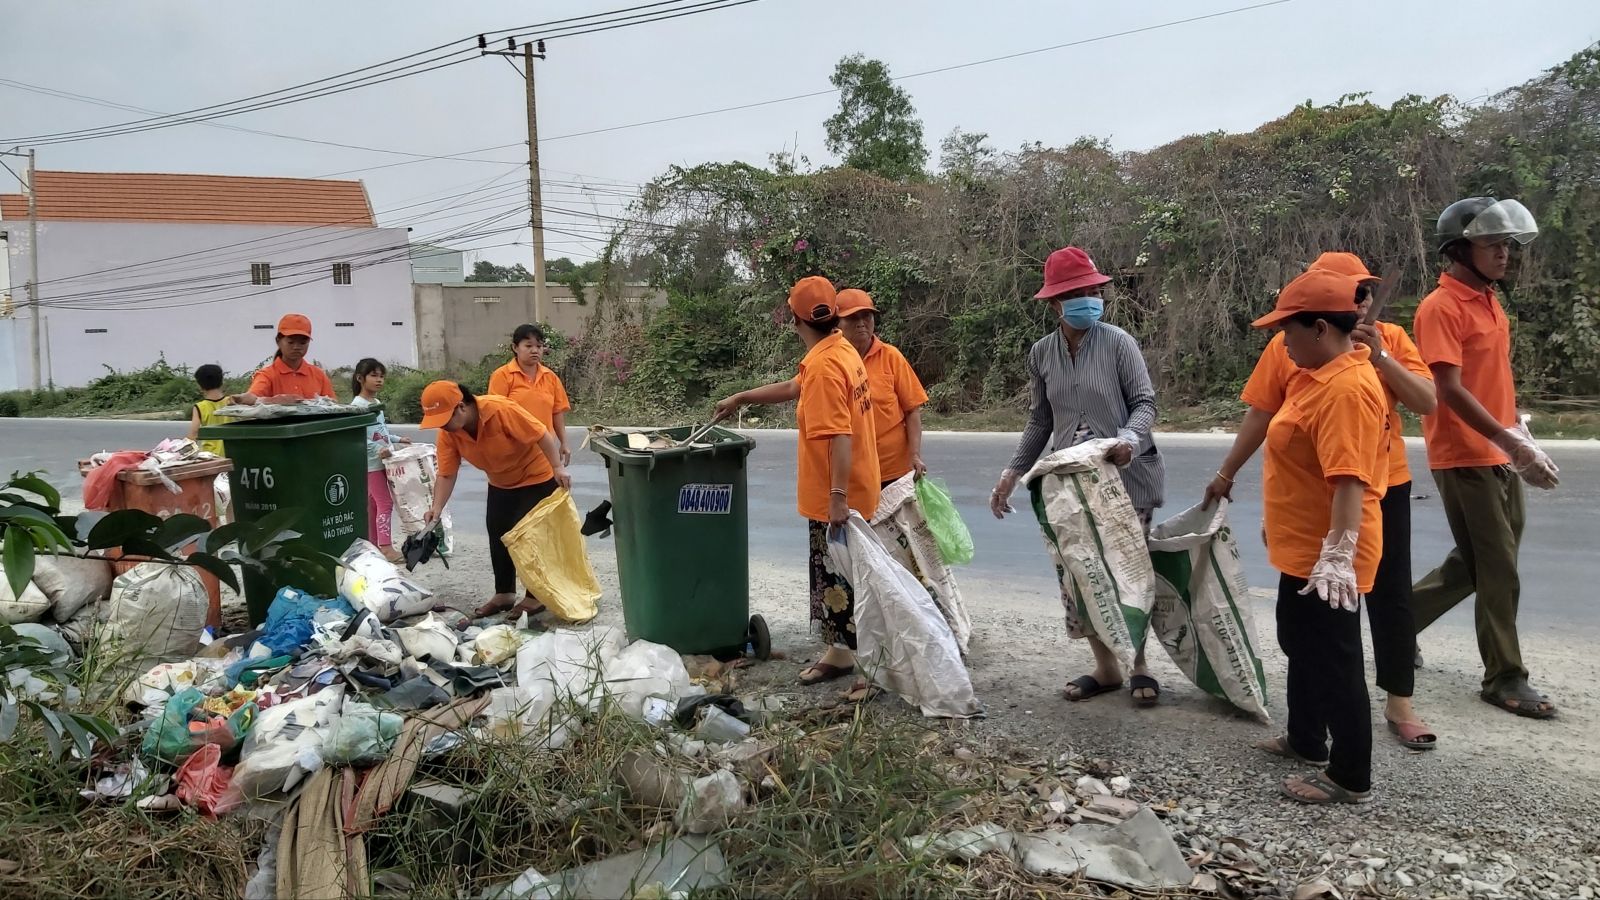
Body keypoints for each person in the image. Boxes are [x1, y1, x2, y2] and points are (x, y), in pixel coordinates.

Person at [1204, 252, 1439, 750]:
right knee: (1305, 631)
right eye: (1349, 294)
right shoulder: (1293, 350)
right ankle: (1306, 734)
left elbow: (1424, 403)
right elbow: (1265, 416)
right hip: (1317, 502)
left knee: (1375, 607)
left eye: (1363, 293)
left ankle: (1394, 709)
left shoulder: (1376, 353)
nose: (1359, 303)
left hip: (1370, 489)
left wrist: (1377, 357)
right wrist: (1231, 474)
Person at [990, 246, 1165, 707]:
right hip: (1069, 484)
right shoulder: (1042, 353)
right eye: (1077, 292)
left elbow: (1145, 403)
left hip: (1125, 477)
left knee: (1127, 574)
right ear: (1054, 304)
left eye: (1093, 291)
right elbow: (1040, 421)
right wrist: (1013, 472)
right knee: (1079, 574)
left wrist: (1127, 438)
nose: (1089, 298)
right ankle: (1105, 668)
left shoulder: (1119, 342)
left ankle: (1139, 665)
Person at [1410, 197, 1558, 720]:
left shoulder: (1489, 300)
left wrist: (1520, 437)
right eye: (1493, 244)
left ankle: (1398, 625)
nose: (1505, 253)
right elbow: (1447, 389)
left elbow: (1493, 382)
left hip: (1499, 447)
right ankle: (1504, 677)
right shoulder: (1440, 307)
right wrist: (1507, 440)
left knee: (1481, 560)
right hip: (1463, 453)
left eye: (1507, 244)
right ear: (1458, 249)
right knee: (1496, 565)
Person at [1246, 267, 1388, 805]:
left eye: (1289, 330)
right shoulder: (1314, 375)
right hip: (1303, 545)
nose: (1283, 340)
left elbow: (1349, 480)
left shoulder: (1347, 389)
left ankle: (1351, 775)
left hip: (1332, 554)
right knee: (1300, 643)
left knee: (1335, 658)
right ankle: (1307, 739)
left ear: (1322, 328)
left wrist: (1338, 556)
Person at [714, 277, 880, 694]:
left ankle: (871, 671)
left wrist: (838, 499)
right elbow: (794, 387)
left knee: (847, 586)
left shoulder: (826, 366)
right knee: (832, 583)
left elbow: (840, 436)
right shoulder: (836, 350)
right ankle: (840, 655)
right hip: (850, 489)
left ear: (795, 320)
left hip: (840, 498)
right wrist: (742, 397)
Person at [419, 381, 572, 618]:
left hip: (536, 475)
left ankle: (535, 597)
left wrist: (557, 468)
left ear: (461, 407)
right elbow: (447, 473)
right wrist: (436, 508)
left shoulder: (500, 410)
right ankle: (504, 594)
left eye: (445, 419)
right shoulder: (449, 434)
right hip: (500, 481)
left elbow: (541, 434)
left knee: (530, 537)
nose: (443, 427)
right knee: (498, 532)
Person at [836, 289, 930, 483]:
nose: (861, 323)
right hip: (851, 475)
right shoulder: (831, 360)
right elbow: (794, 387)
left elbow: (912, 411)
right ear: (836, 323)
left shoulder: (891, 357)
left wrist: (914, 455)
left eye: (866, 316)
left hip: (893, 472)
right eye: (852, 317)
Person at [350, 359, 411, 563]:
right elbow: (357, 437)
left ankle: (373, 545)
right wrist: (379, 450)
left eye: (382, 376)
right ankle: (386, 547)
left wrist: (397, 440)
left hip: (383, 462)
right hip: (371, 464)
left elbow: (381, 432)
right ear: (360, 378)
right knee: (384, 503)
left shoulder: (376, 404)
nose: (379, 380)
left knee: (374, 505)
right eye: (374, 375)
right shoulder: (357, 407)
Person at [488, 324, 573, 466]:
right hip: (513, 455)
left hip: (545, 453)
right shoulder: (502, 376)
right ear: (515, 348)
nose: (535, 351)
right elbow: (495, 415)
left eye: (539, 346)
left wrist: (564, 442)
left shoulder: (550, 377)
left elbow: (557, 412)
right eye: (528, 346)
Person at [231, 313, 335, 404]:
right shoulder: (267, 375)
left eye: (303, 343)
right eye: (291, 342)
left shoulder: (319, 375)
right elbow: (252, 398)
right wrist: (274, 401)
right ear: (278, 341)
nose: (296, 347)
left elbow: (333, 406)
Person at [188, 364, 230, 456]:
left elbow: (193, 435)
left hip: (211, 457)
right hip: (232, 454)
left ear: (200, 386)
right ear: (222, 382)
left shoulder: (200, 407)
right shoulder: (232, 402)